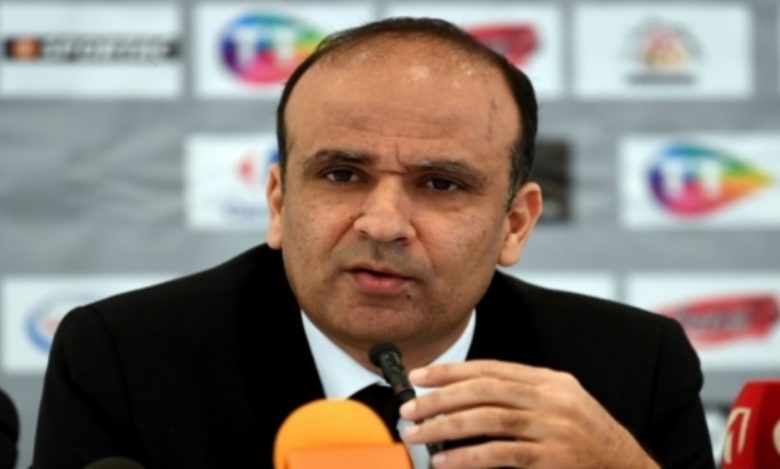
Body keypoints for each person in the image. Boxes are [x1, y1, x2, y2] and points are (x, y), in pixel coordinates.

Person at [32, 17, 715, 469]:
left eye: (441, 184)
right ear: (279, 202)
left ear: (514, 223)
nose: (383, 223)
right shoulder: (126, 357)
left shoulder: (632, 367)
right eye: (341, 174)